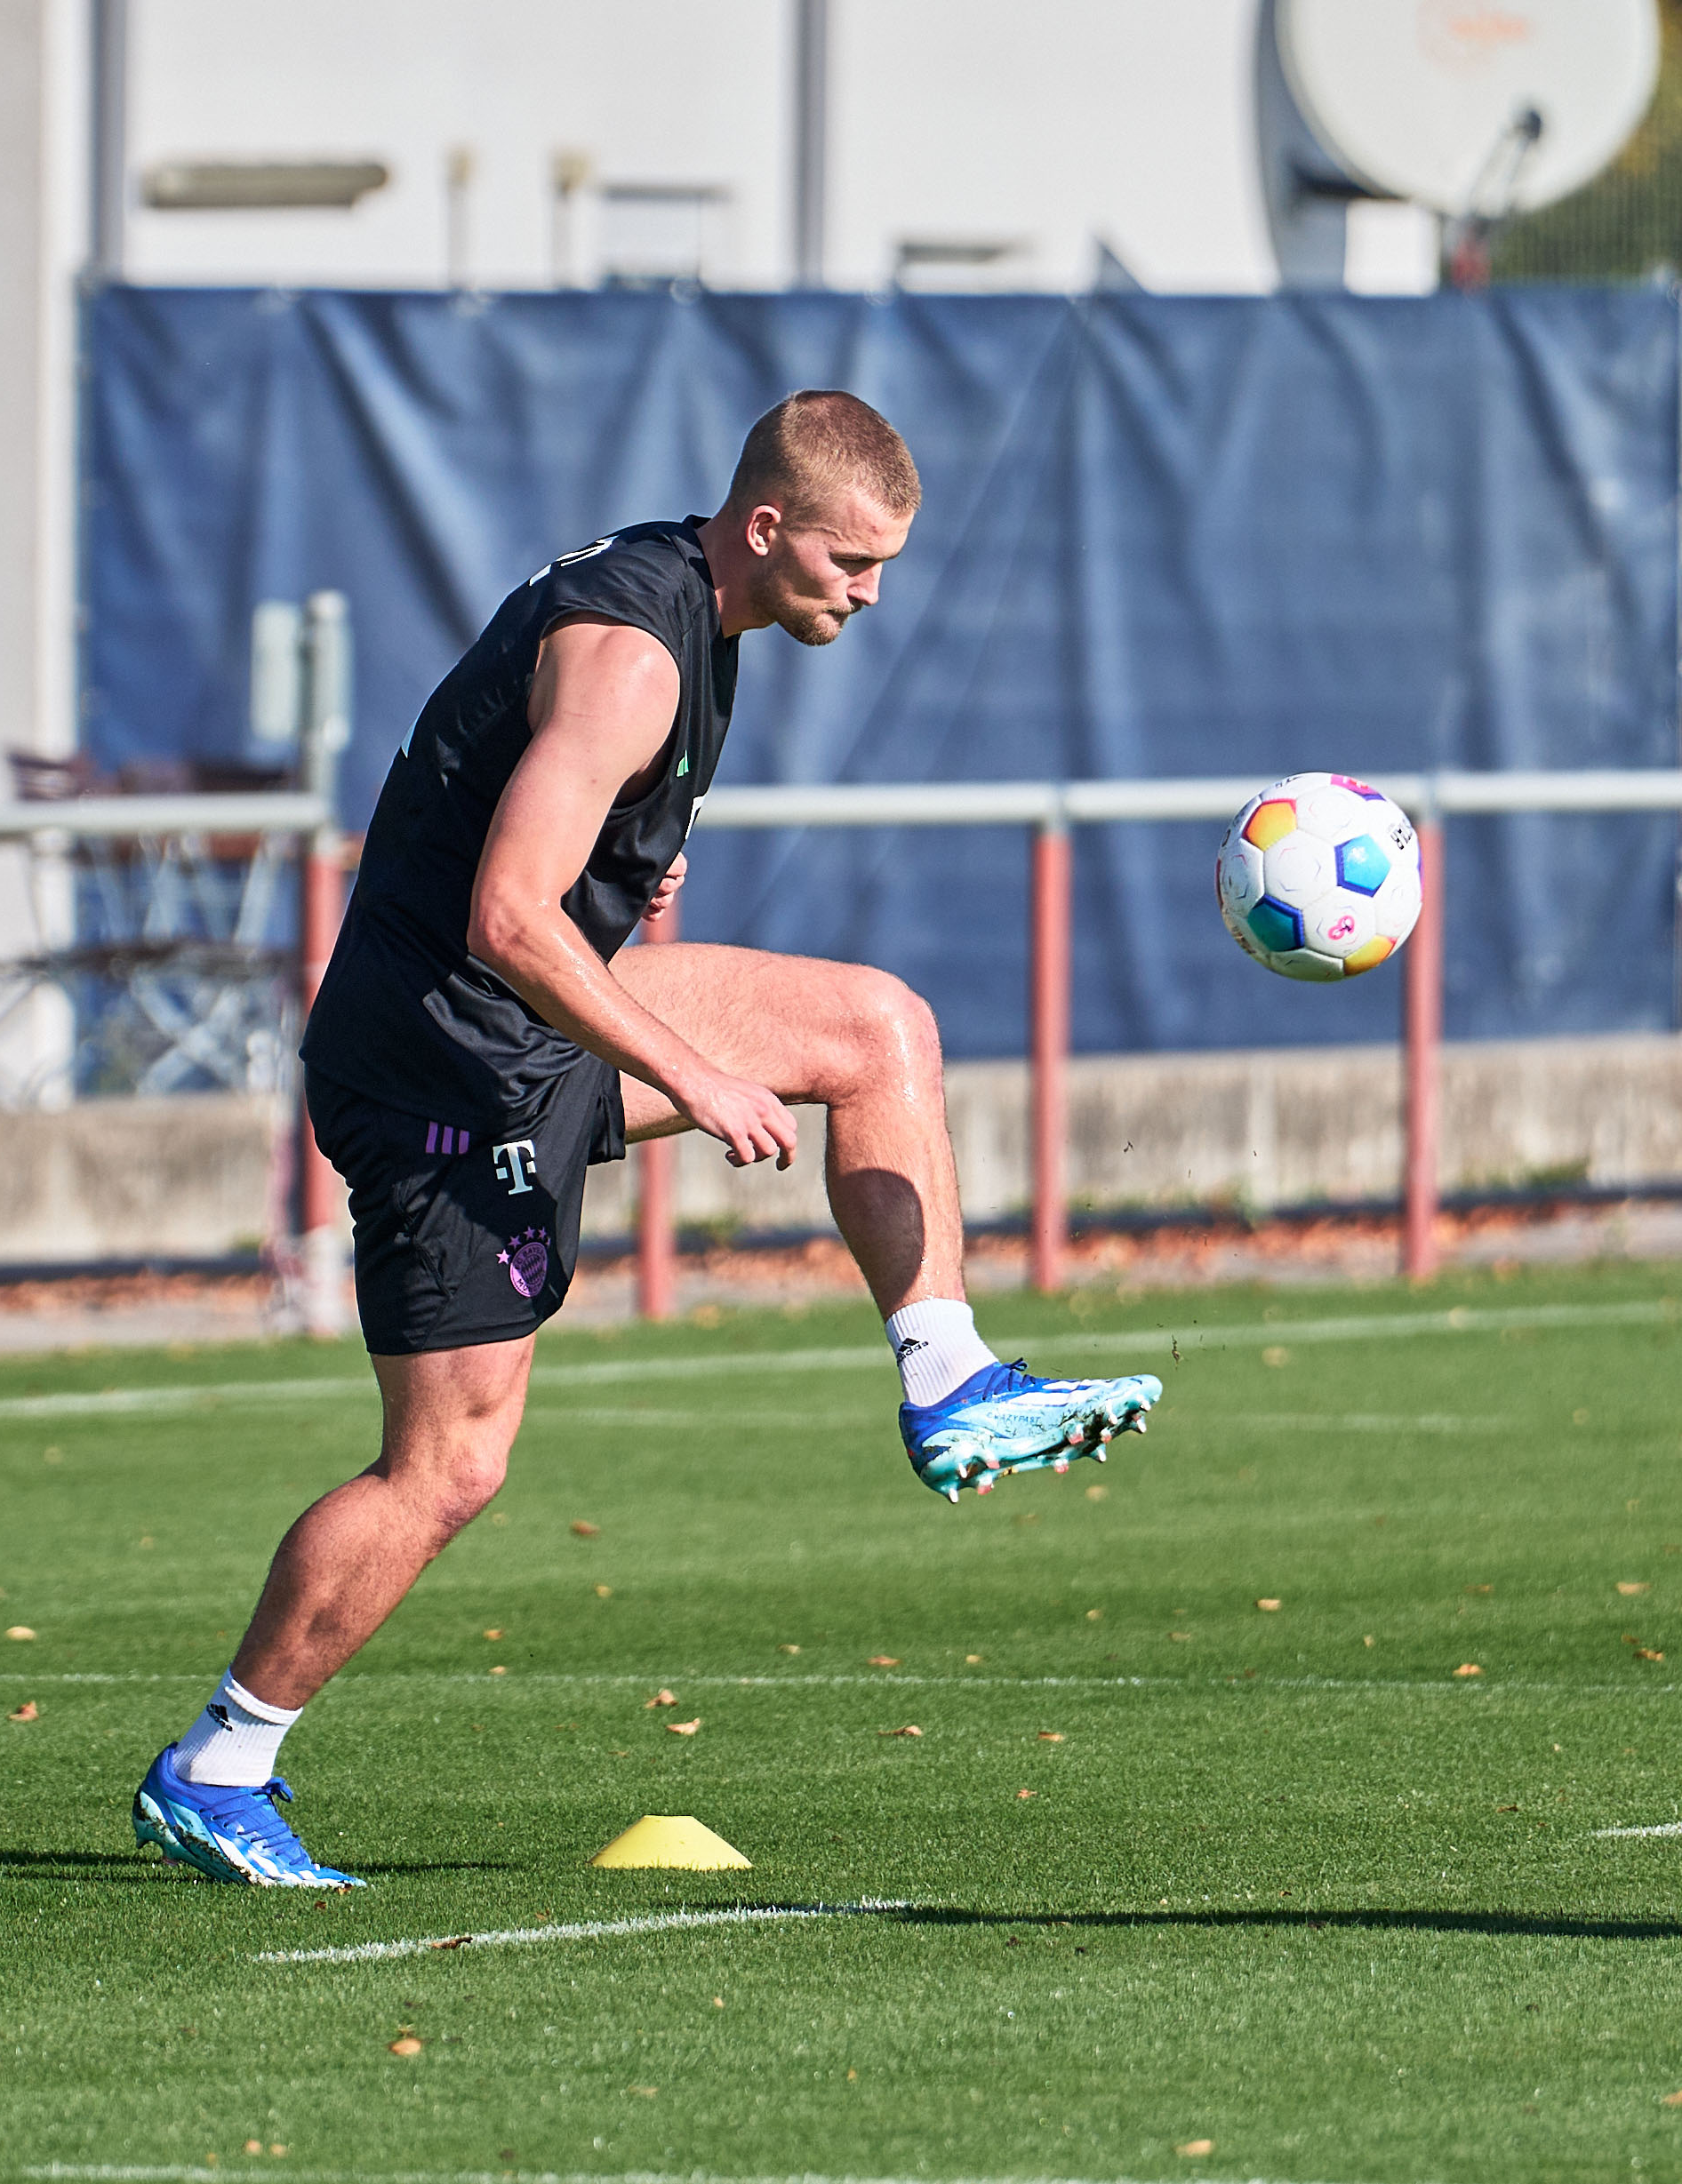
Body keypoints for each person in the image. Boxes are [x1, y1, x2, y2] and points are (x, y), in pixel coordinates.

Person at [131, 391, 1162, 1888]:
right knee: (451, 1467)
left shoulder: (702, 614)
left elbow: (556, 855)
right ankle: (221, 1762)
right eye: (850, 563)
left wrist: (647, 891)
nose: (869, 594)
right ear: (765, 528)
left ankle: (949, 1377)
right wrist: (696, 1072)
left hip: (529, 1031)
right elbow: (503, 914)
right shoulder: (630, 655)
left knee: (876, 1029)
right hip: (444, 1075)